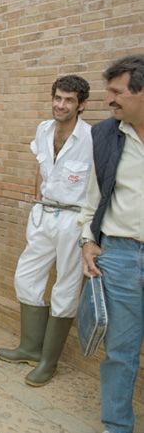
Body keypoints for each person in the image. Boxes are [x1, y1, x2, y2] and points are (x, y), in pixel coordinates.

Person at [0, 75, 92, 386]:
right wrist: (35, 199)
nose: (61, 105)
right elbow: (39, 165)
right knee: (26, 276)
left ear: (81, 105)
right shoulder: (43, 129)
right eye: (58, 98)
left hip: (74, 220)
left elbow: (99, 186)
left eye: (69, 100)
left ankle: (48, 362)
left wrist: (91, 230)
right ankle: (29, 348)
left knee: (65, 288)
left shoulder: (91, 138)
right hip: (43, 213)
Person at [77, 55, 144, 433]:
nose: (110, 100)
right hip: (118, 257)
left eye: (117, 92)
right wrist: (88, 240)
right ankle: (117, 426)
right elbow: (94, 197)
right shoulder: (105, 135)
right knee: (120, 352)